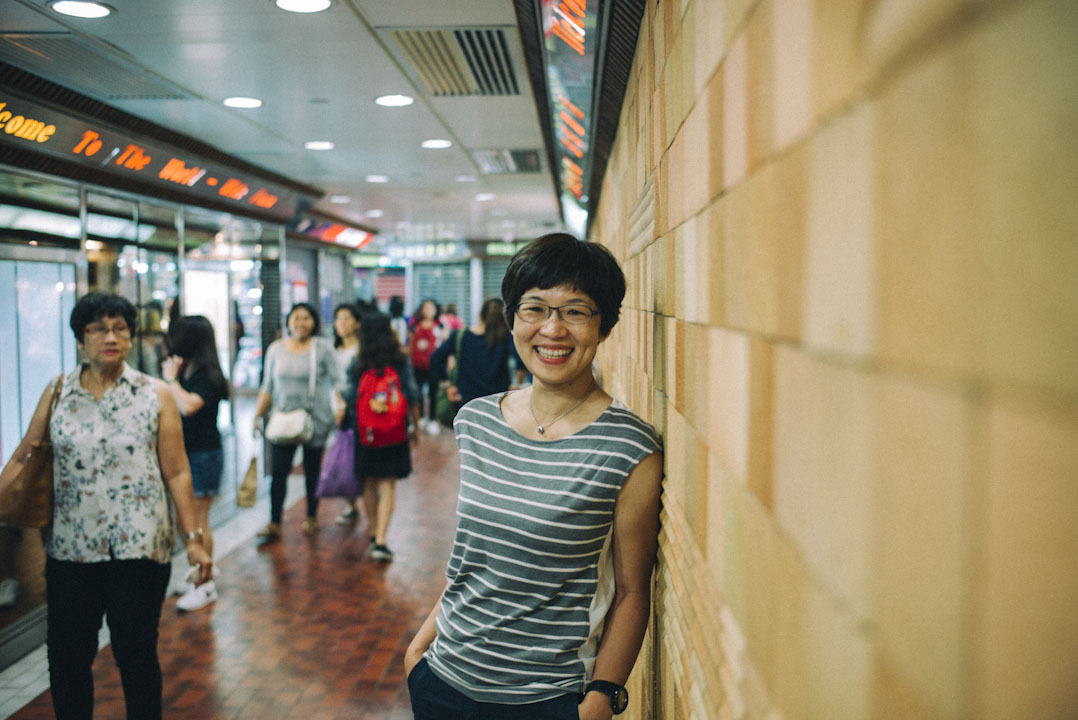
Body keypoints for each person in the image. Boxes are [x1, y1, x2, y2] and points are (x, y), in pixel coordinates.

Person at [405, 234, 663, 720]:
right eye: (535, 308)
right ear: (514, 318)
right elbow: (474, 559)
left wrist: (602, 697)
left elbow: (632, 590)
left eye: (575, 311)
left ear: (603, 325)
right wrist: (418, 652)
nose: (553, 329)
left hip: (546, 700)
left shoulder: (629, 448)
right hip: (442, 680)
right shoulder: (475, 421)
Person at [0, 291, 212, 719]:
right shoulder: (58, 392)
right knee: (67, 659)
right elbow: (26, 454)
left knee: (135, 657)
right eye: (97, 328)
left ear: (131, 336)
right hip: (70, 550)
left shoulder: (155, 395)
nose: (109, 337)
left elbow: (177, 472)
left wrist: (194, 539)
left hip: (139, 551)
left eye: (119, 328)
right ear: (81, 338)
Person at [252, 303, 343, 539]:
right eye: (296, 317)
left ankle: (312, 515)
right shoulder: (276, 349)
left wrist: (341, 407)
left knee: (312, 471)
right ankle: (274, 522)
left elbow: (338, 381)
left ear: (314, 322)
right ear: (289, 320)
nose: (301, 323)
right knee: (278, 473)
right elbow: (267, 387)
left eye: (306, 318)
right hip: (283, 418)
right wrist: (257, 415)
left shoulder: (322, 349)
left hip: (315, 420)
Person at [162, 315, 230, 612]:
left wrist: (171, 381)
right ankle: (201, 568)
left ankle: (205, 585)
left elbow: (189, 405)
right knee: (185, 520)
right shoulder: (188, 366)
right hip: (188, 452)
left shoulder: (206, 373)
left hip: (204, 454)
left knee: (198, 521)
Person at [349, 311, 421, 562]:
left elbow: (349, 397)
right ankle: (381, 539)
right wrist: (416, 426)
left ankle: (374, 532)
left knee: (369, 482)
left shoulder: (358, 362)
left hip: (366, 434)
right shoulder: (400, 360)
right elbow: (412, 395)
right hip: (394, 431)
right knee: (388, 483)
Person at [428, 297, 524, 411]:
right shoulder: (505, 338)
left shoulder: (461, 336)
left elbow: (435, 358)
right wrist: (516, 383)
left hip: (466, 401)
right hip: (497, 403)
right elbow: (521, 361)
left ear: (480, 315)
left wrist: (447, 385)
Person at [330, 303, 363, 525]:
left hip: (355, 408)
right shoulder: (332, 350)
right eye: (338, 319)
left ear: (357, 322)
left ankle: (363, 497)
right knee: (343, 456)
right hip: (334, 406)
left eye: (346, 318)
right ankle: (350, 502)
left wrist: (344, 405)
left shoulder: (362, 350)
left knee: (356, 454)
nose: (341, 324)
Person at [407, 299, 442, 435]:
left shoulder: (440, 327)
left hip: (433, 365)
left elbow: (443, 345)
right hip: (417, 365)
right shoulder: (414, 326)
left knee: (433, 392)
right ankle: (420, 417)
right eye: (426, 308)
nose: (428, 311)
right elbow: (409, 345)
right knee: (417, 392)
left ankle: (432, 419)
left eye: (431, 308)